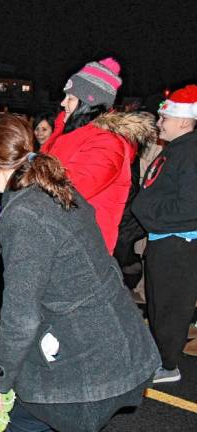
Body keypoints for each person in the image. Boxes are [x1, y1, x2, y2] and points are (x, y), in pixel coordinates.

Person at [0, 115, 160, 432]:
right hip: (113, 342)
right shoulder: (53, 186)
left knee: (19, 423)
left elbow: (21, 313)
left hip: (86, 358)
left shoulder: (25, 214)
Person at [40, 58, 154, 255]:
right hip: (59, 239)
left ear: (89, 103)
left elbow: (70, 188)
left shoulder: (108, 143)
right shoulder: (68, 133)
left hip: (82, 250)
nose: (62, 102)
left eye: (71, 98)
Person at [132, 84, 197, 384]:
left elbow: (189, 205)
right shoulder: (176, 149)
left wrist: (147, 212)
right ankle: (159, 355)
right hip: (163, 241)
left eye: (164, 119)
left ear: (184, 121)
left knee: (171, 307)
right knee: (158, 305)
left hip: (177, 244)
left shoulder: (191, 152)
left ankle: (168, 365)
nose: (159, 124)